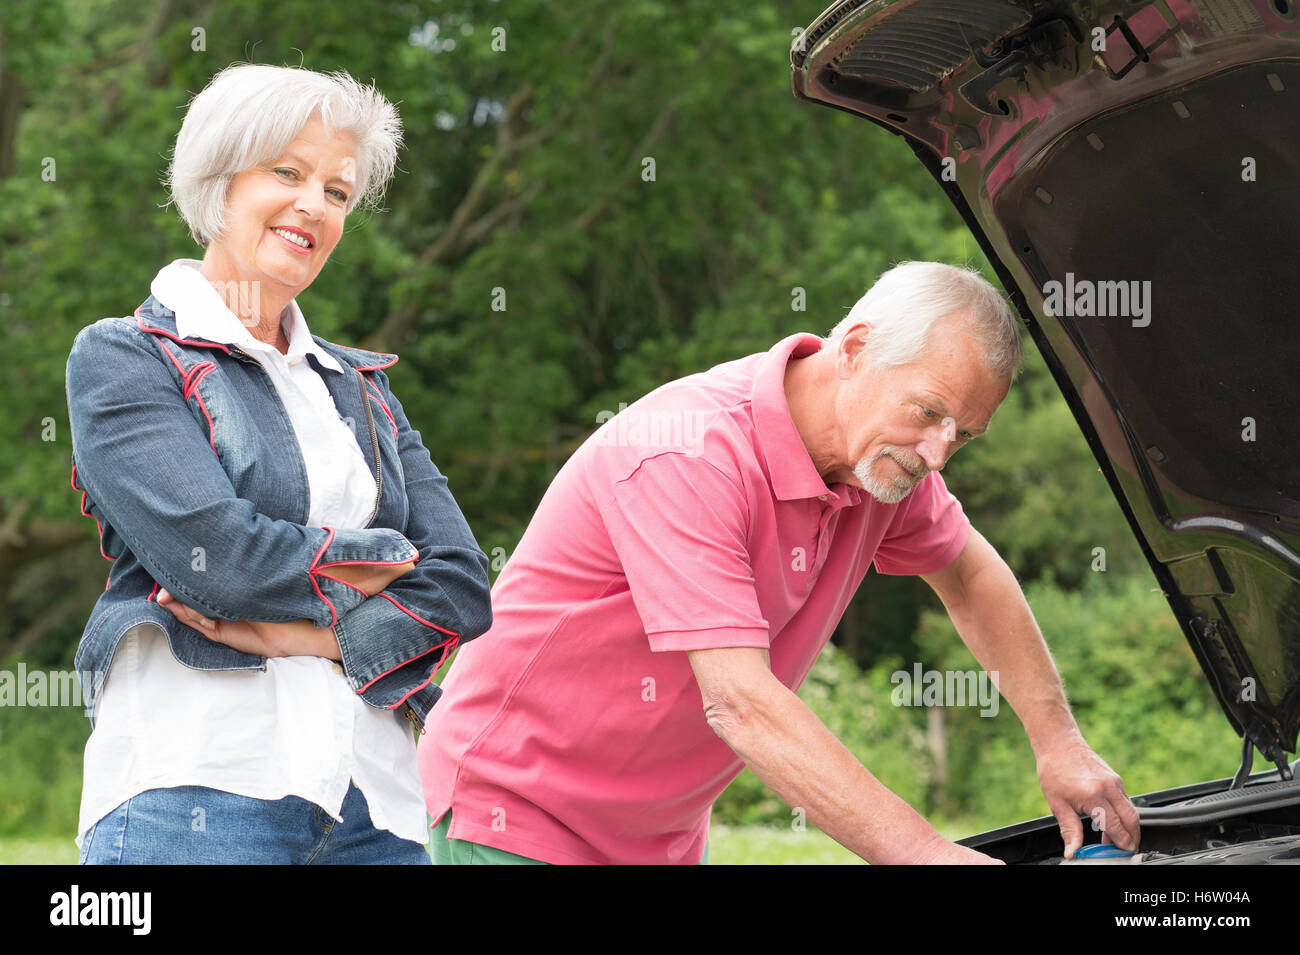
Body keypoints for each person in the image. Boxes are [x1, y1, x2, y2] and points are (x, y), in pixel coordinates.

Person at [418, 260, 1142, 865]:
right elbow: (739, 701)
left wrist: (1060, 742)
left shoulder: (879, 465)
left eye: (964, 435)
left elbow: (970, 574)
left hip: (659, 836)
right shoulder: (689, 452)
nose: (938, 454)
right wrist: (925, 854)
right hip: (518, 810)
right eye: (928, 412)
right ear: (855, 349)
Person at [65, 63, 492, 864]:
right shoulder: (123, 358)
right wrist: (391, 565)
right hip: (196, 783)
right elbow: (221, 561)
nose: (315, 206)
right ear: (220, 181)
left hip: (375, 798)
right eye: (287, 173)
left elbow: (465, 583)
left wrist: (316, 641)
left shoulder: (360, 388)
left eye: (337, 191)